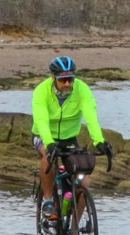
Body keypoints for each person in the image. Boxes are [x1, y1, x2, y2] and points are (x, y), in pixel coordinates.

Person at [31, 55, 110, 221]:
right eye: (63, 80)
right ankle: (48, 200)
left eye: (70, 79)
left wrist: (99, 141)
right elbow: (41, 120)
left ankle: (74, 230)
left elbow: (91, 116)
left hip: (69, 138)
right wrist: (50, 143)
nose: (67, 83)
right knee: (48, 156)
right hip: (44, 136)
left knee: (84, 183)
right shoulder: (41, 91)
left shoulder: (82, 89)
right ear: (53, 78)